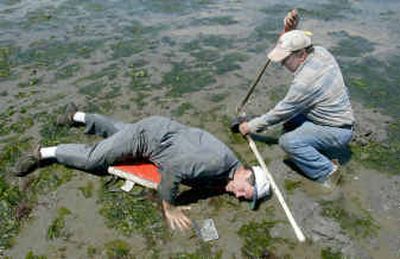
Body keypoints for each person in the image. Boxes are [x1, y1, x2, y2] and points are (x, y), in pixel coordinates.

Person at [13, 103, 270, 231]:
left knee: (116, 132)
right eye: (242, 193)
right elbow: (172, 173)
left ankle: (75, 115)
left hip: (163, 132)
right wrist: (169, 206)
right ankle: (44, 153)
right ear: (247, 175)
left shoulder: (230, 164)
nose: (236, 196)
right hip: (149, 138)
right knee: (95, 160)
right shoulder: (214, 165)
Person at [238, 19, 354, 187]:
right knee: (290, 123)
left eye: (285, 59)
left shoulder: (305, 82)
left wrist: (250, 126)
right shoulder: (321, 52)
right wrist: (288, 32)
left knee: (288, 141)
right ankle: (315, 148)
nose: (282, 64)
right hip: (338, 114)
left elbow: (280, 112)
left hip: (337, 130)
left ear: (301, 55)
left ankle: (328, 172)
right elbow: (298, 41)